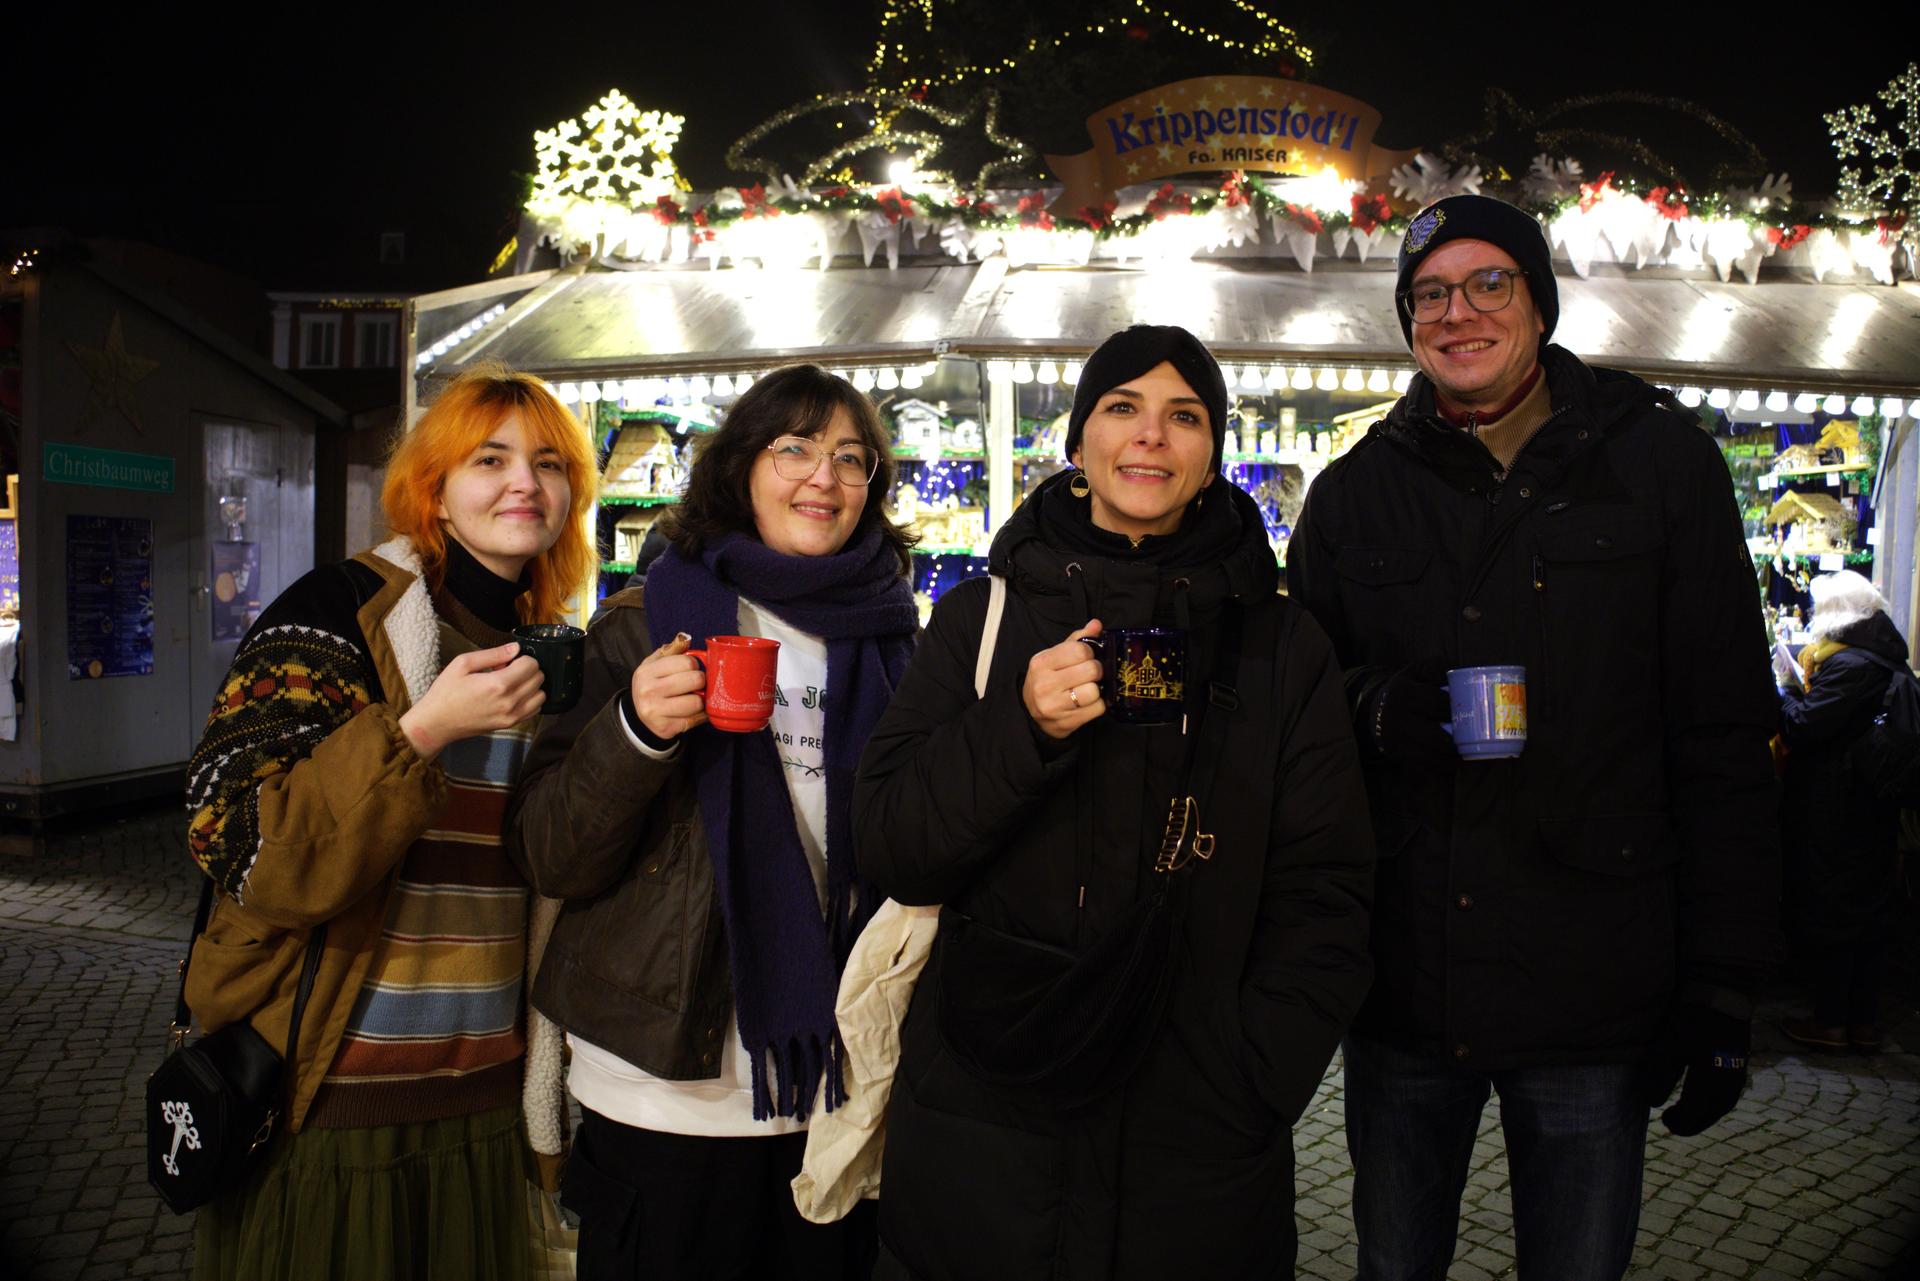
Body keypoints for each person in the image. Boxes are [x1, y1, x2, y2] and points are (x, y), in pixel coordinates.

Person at [1287, 194, 1782, 1281]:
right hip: (1409, 983)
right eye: (1428, 294)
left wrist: (1722, 985)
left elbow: (1726, 733)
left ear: (1540, 302)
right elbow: (1294, 715)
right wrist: (1381, 709)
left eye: (1487, 284)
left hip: (1594, 984)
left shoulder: (1661, 467)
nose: (1457, 314)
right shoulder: (1354, 493)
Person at [853, 325, 1376, 1279]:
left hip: (1195, 1142)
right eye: (1122, 408)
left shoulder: (1279, 643)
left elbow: (1329, 886)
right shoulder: (984, 618)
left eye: (1184, 416)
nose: (1151, 438)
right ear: (1078, 441)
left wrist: (1255, 1072)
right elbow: (891, 842)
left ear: (1213, 451)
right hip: (983, 1118)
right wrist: (1021, 728)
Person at [183, 364, 597, 1280]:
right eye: (489, 459)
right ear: (436, 492)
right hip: (331, 1102)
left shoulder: (554, 654)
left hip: (486, 1104)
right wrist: (423, 730)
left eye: (549, 462)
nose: (525, 481)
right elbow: (239, 839)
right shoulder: (336, 614)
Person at [506, 364, 916, 1281]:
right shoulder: (644, 624)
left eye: (853, 460)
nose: (824, 476)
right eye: (795, 448)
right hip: (667, 1096)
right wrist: (636, 730)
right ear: (741, 469)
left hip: (838, 1096)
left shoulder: (897, 643)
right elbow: (547, 851)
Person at [1776, 570, 1907, 1054]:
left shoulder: (1851, 665)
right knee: (1868, 912)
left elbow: (1804, 727)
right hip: (1871, 803)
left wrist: (1785, 689)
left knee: (1838, 910)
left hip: (1841, 807)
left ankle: (1832, 1022)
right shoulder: (1885, 658)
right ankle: (1863, 1023)